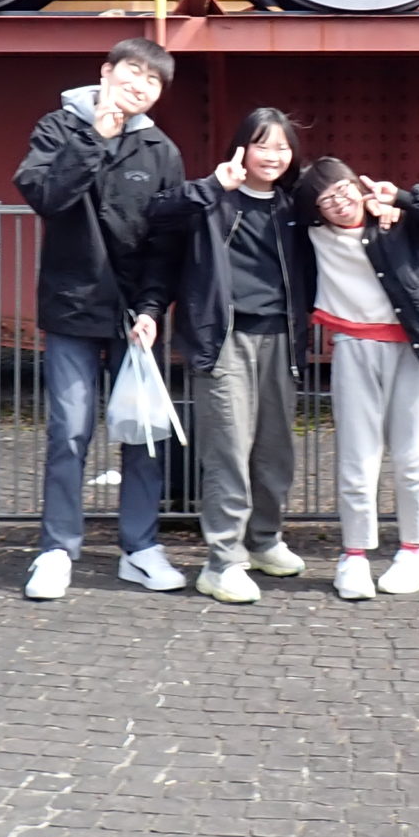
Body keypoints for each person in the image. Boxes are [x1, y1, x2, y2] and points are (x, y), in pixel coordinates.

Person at [12, 37, 187, 601]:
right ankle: (57, 549)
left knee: (144, 432)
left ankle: (141, 548)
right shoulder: (59, 127)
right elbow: (44, 195)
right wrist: (95, 139)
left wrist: (153, 309)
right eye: (133, 72)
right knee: (70, 429)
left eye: (153, 81)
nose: (141, 86)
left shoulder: (160, 149)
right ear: (106, 72)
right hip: (72, 305)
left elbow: (167, 242)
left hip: (137, 317)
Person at [135, 108, 312, 605]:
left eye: (282, 147)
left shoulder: (294, 205)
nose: (273, 156)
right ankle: (222, 562)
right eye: (263, 145)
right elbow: (156, 215)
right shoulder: (211, 199)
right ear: (242, 148)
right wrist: (214, 185)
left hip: (281, 338)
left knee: (275, 449)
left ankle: (264, 541)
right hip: (223, 338)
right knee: (229, 449)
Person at [292, 157, 419, 600]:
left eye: (343, 189)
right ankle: (354, 556)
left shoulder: (398, 220)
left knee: (413, 456)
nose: (339, 202)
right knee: (357, 457)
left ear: (358, 184)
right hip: (353, 347)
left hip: (413, 348)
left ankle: (414, 552)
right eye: (326, 199)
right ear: (316, 210)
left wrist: (402, 197)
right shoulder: (312, 236)